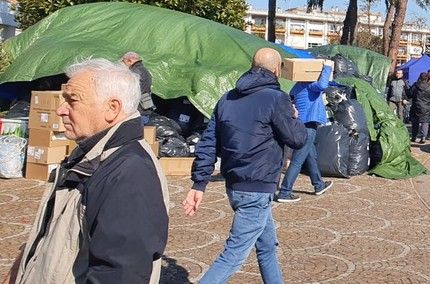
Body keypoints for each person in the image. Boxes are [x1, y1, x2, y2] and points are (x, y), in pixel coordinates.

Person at [5, 58, 169, 283]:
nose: (61, 110)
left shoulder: (129, 173)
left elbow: (119, 275)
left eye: (72, 101)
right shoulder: (90, 153)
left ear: (112, 108)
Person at [184, 48, 307, 284]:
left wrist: (199, 183)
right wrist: (294, 116)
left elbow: (209, 141)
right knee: (233, 255)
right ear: (276, 70)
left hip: (236, 186)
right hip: (257, 188)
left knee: (267, 246)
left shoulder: (227, 98)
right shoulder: (276, 98)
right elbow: (297, 139)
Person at [276, 60, 334, 203]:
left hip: (301, 125)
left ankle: (318, 184)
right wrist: (327, 67)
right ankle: (285, 191)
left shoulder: (296, 87)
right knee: (298, 160)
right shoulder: (310, 86)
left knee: (310, 155)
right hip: (308, 126)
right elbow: (323, 85)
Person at [408, 72, 430, 144]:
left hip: (416, 106)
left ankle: (414, 137)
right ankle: (423, 137)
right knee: (425, 122)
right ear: (427, 78)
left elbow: (409, 94)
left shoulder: (415, 85)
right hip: (426, 107)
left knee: (415, 122)